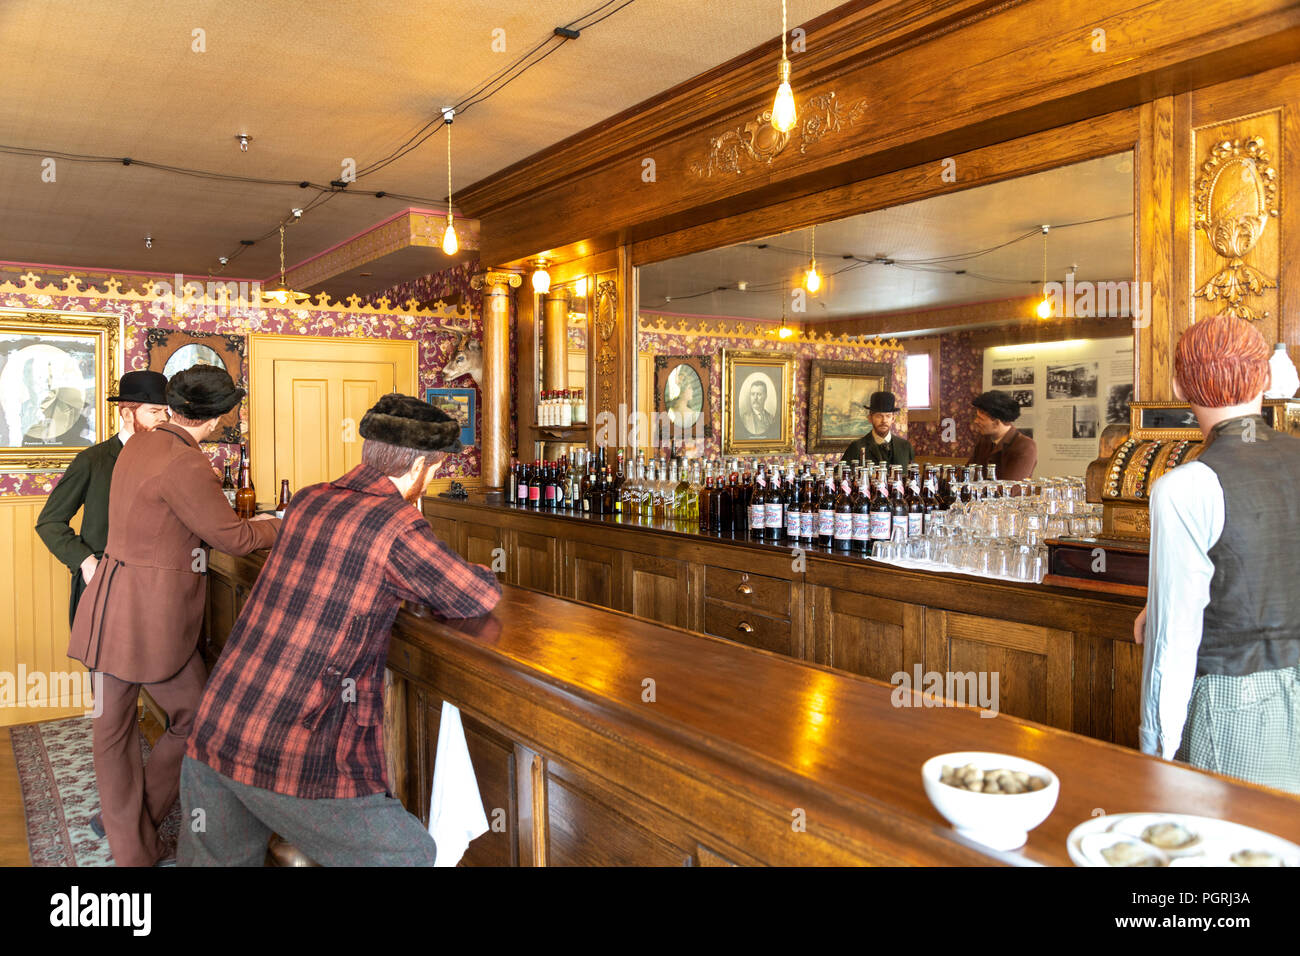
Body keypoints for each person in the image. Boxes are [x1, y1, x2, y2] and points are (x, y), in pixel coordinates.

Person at [180, 393, 503, 866]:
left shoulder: (310, 498)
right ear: (420, 468)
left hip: (218, 722)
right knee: (410, 856)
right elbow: (472, 595)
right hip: (294, 746)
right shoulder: (397, 524)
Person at [67, 365, 280, 866]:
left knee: (113, 732)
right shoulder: (187, 462)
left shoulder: (139, 441)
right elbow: (234, 537)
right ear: (218, 416)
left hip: (109, 604)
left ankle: (129, 835)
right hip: (151, 615)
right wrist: (281, 523)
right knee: (197, 718)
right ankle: (135, 841)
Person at [1136, 315, 1300, 793]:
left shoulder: (1184, 486)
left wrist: (1155, 748)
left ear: (1179, 383)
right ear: (1265, 378)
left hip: (1235, 702)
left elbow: (1175, 638)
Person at [36, 370, 170, 628]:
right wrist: (86, 563)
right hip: (103, 584)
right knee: (102, 667)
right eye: (154, 412)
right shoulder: (92, 461)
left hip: (155, 589)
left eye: (166, 412)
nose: (163, 419)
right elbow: (50, 522)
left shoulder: (171, 459)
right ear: (127, 413)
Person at [967, 390, 1036, 479]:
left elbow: (1010, 488)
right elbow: (967, 474)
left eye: (980, 418)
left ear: (997, 422)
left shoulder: (1025, 446)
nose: (976, 421)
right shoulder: (984, 441)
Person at [841, 390, 914, 467]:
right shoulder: (856, 447)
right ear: (870, 418)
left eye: (888, 416)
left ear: (893, 419)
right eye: (879, 416)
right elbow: (840, 474)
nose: (884, 421)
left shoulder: (906, 447)